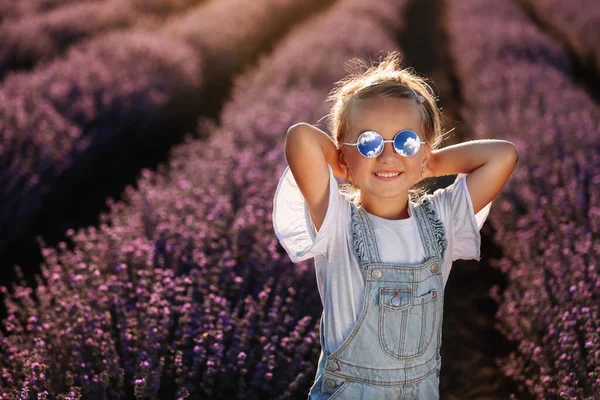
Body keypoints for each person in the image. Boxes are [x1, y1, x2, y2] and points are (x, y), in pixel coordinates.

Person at [271, 51, 518, 399]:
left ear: (425, 149)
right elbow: (301, 138)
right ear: (344, 154)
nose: (388, 156)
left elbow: (503, 155)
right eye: (369, 143)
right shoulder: (337, 221)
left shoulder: (441, 219)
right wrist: (350, 166)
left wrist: (427, 165)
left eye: (406, 141)